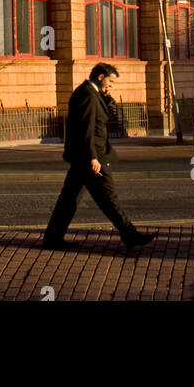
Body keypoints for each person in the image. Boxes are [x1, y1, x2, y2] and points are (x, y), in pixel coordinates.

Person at [41, 62, 154, 252]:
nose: (111, 85)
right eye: (110, 81)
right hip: (91, 159)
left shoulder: (92, 94)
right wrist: (92, 157)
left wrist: (107, 100)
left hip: (83, 158)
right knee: (108, 197)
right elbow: (86, 129)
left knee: (69, 200)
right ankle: (130, 234)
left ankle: (53, 238)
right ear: (101, 77)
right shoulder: (87, 95)